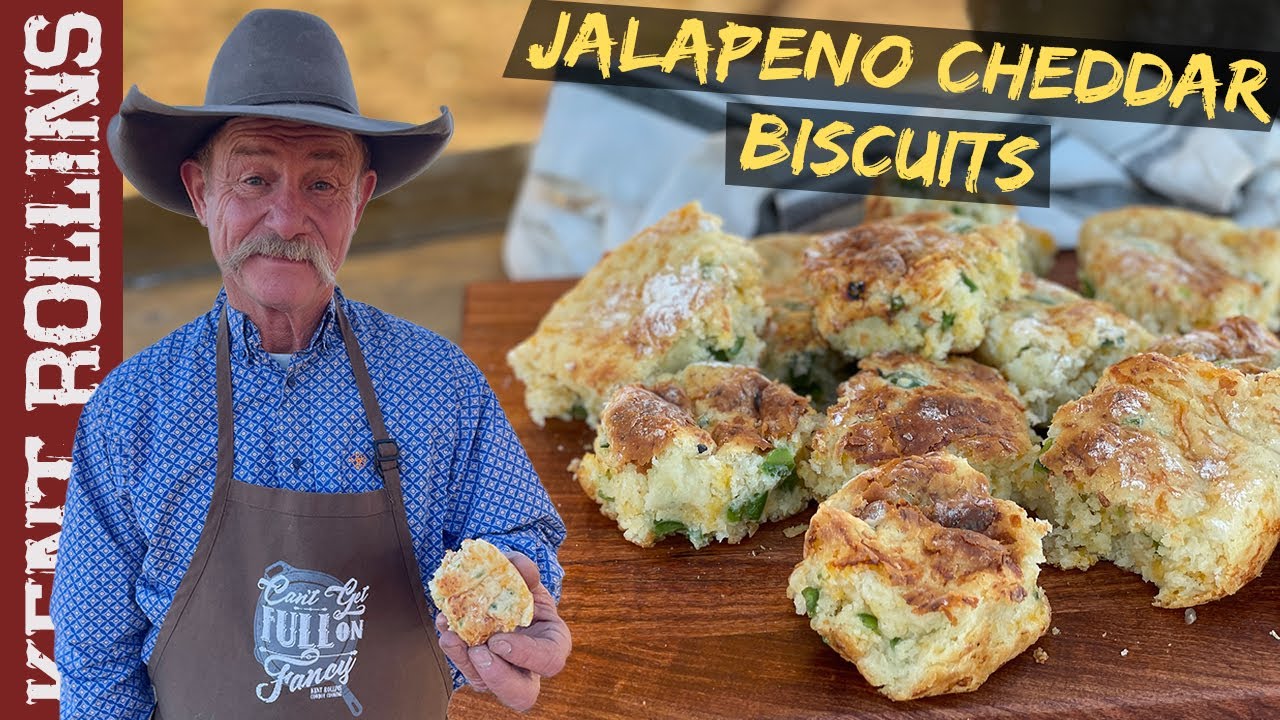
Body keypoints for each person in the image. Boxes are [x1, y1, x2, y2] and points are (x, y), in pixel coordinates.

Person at [49, 9, 569, 719]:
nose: (288, 219)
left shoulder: (441, 384)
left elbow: (517, 535)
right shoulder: (129, 412)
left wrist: (514, 604)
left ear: (359, 200)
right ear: (202, 193)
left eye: (321, 185)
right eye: (256, 179)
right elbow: (94, 667)